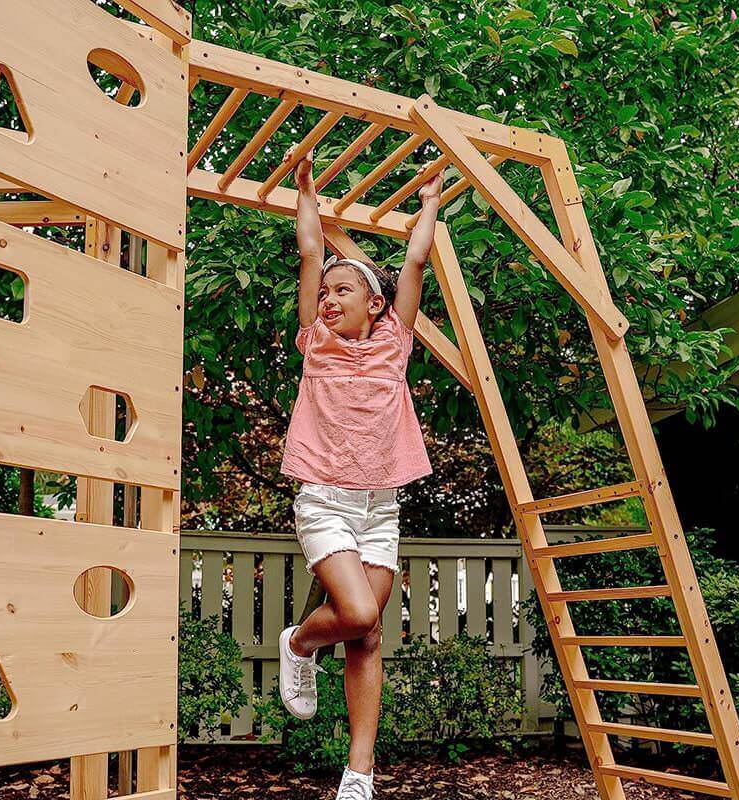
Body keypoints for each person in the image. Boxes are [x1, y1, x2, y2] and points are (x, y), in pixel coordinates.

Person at [277, 143, 442, 800]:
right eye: (323, 293)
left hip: (381, 507)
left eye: (343, 291)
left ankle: (359, 773)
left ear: (373, 306)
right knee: (350, 610)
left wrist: (429, 204)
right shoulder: (314, 342)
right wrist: (307, 186)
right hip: (326, 500)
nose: (327, 298)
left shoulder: (395, 342)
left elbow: (415, 260)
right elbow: (311, 250)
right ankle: (297, 643)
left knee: (368, 633)